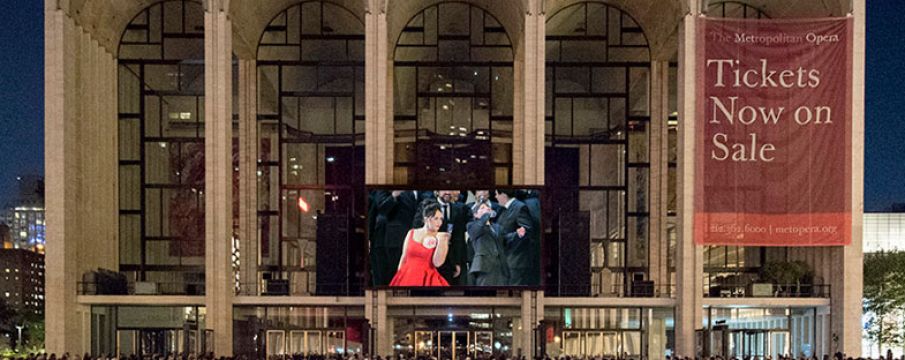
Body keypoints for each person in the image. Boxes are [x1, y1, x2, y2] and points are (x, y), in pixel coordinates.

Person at [389, 199, 451, 286]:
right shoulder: (411, 232)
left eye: (441, 219)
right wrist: (399, 275)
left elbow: (437, 263)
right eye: (436, 218)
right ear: (426, 219)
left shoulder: (440, 237)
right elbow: (403, 257)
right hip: (406, 275)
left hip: (427, 277)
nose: (439, 222)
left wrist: (441, 241)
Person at [372, 190, 421, 286]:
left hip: (415, 239)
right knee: (393, 275)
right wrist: (394, 195)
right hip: (395, 241)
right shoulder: (386, 189)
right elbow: (382, 208)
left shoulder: (422, 192)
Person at [495, 189, 534, 285]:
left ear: (503, 194)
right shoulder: (501, 209)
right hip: (505, 260)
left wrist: (507, 237)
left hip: (515, 261)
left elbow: (526, 231)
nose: (495, 197)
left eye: (496, 194)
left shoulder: (520, 207)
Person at [467, 202, 509, 285]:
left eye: (488, 207)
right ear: (475, 214)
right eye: (482, 208)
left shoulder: (497, 227)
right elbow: (476, 230)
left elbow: (505, 239)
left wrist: (517, 234)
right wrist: (486, 215)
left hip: (500, 265)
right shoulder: (472, 225)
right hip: (484, 265)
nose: (487, 208)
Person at [436, 190, 471, 285]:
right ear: (437, 191)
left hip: (451, 260)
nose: (447, 192)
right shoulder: (428, 206)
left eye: (450, 190)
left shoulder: (459, 209)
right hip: (433, 257)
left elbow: (458, 238)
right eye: (444, 190)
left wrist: (457, 262)